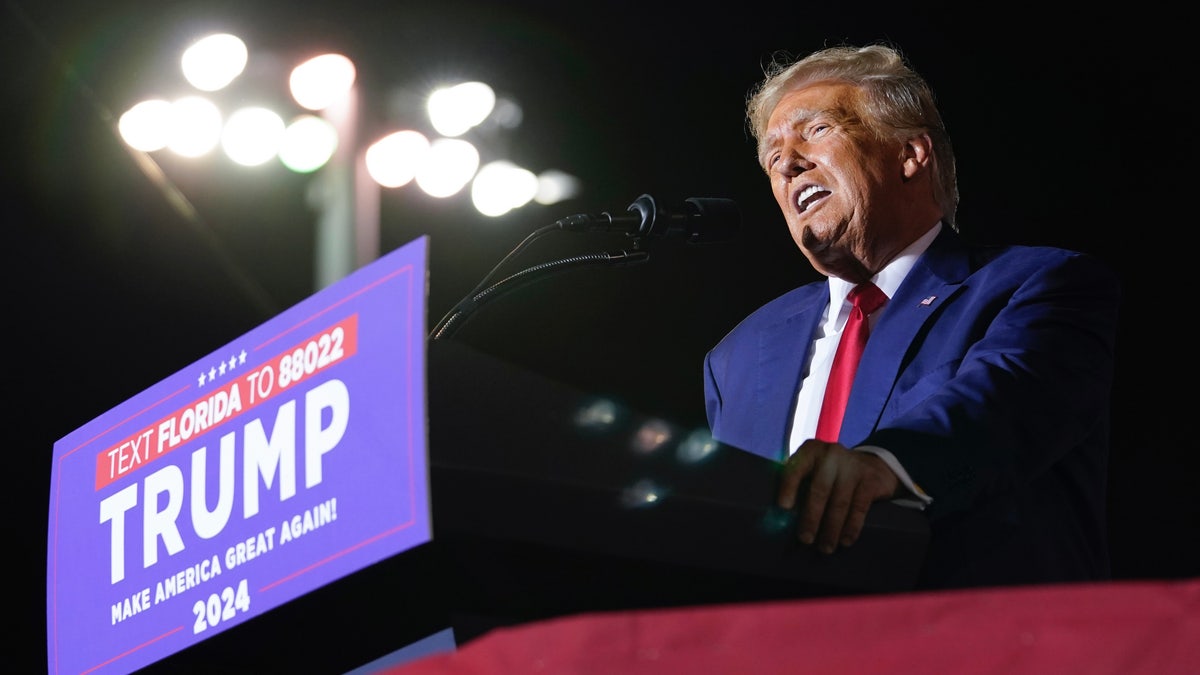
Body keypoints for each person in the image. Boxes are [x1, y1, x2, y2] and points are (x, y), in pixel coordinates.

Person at [703, 43, 1119, 589]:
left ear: (910, 154)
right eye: (771, 154)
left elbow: (1001, 403)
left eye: (817, 130)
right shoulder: (735, 356)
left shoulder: (1036, 284)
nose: (786, 161)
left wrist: (885, 462)